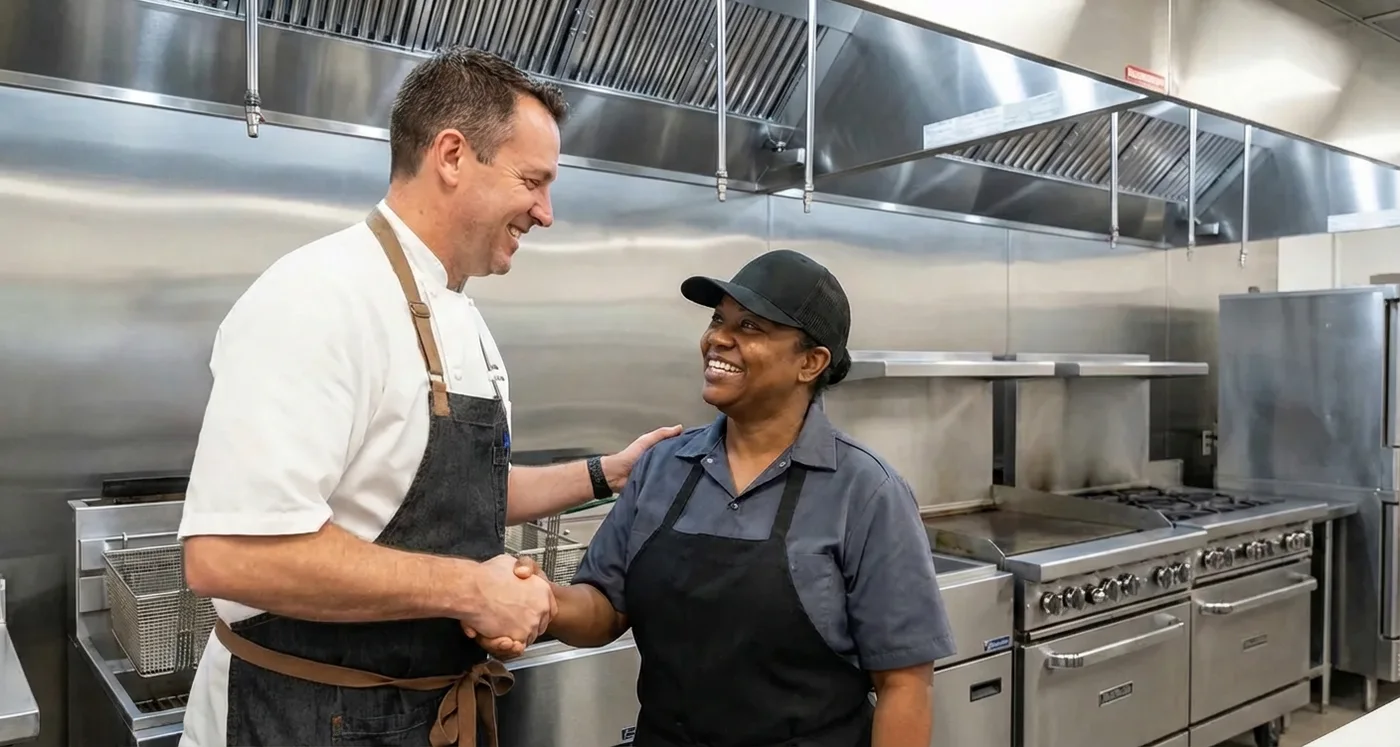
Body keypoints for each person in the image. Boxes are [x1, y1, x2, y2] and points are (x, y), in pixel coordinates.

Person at [174, 48, 681, 747]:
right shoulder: (320, 297)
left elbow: (455, 498)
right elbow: (228, 554)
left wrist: (605, 474)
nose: (546, 212)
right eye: (533, 181)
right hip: (303, 715)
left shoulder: (462, 318)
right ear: (451, 154)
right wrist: (474, 590)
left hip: (419, 713)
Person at [478, 249, 956, 746]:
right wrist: (544, 601)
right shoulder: (664, 466)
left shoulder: (866, 490)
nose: (717, 339)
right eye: (717, 319)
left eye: (750, 327)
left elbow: (903, 684)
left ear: (810, 363)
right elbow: (605, 608)